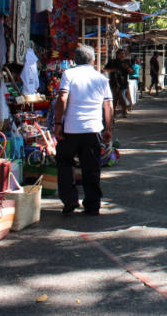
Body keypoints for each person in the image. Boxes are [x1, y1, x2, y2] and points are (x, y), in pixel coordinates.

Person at [53, 45, 113, 216]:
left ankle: (70, 199)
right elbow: (108, 105)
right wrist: (107, 128)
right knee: (91, 167)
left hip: (71, 129)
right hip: (93, 129)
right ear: (93, 60)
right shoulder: (101, 78)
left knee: (64, 163)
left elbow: (62, 98)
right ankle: (93, 204)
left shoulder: (69, 74)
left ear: (75, 60)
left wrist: (58, 124)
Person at [104, 49, 132, 118]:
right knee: (115, 97)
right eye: (121, 53)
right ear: (117, 54)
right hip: (114, 81)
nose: (122, 55)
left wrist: (127, 68)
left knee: (119, 96)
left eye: (123, 54)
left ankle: (124, 110)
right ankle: (114, 112)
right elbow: (105, 69)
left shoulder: (126, 62)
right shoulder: (112, 61)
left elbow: (131, 72)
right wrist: (114, 70)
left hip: (123, 82)